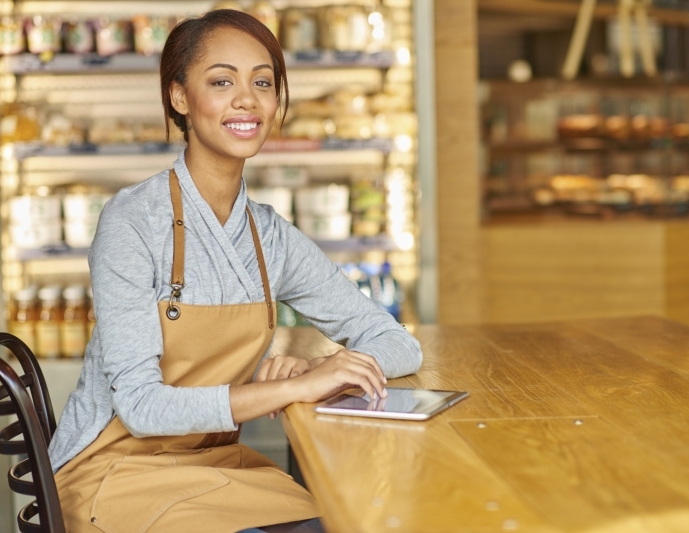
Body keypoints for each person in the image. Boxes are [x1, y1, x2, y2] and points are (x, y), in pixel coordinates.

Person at [47, 9, 423, 533]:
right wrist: (299, 385)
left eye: (262, 83)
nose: (246, 99)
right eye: (222, 81)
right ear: (180, 97)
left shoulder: (270, 237)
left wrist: (332, 367)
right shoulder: (133, 221)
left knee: (358, 518)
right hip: (113, 472)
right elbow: (141, 409)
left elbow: (398, 343)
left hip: (212, 466)